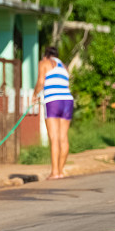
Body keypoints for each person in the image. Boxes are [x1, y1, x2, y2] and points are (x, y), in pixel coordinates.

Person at [34, 46, 75, 180]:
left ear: (46, 56)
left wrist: (35, 95)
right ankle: (60, 170)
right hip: (67, 100)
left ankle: (54, 172)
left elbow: (41, 81)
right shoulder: (64, 66)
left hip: (53, 100)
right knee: (63, 137)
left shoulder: (44, 63)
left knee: (54, 138)